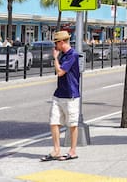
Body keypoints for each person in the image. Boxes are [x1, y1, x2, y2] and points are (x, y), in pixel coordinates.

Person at [41, 31, 80, 162]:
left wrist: (55, 58)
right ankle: (56, 150)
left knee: (72, 124)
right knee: (54, 122)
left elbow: (60, 72)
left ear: (62, 42)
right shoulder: (63, 55)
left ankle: (72, 151)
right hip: (59, 94)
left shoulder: (72, 55)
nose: (55, 46)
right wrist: (57, 58)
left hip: (71, 95)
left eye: (56, 42)